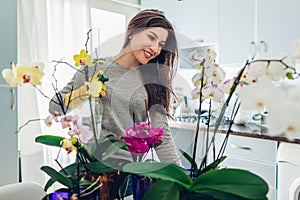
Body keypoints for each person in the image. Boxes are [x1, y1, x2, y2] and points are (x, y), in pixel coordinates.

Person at [49, 9, 182, 167]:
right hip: (91, 169)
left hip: (129, 173)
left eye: (161, 45)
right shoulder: (96, 67)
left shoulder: (153, 81)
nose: (155, 48)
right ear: (132, 30)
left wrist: (182, 179)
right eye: (151, 37)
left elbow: (162, 137)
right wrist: (84, 92)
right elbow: (55, 108)